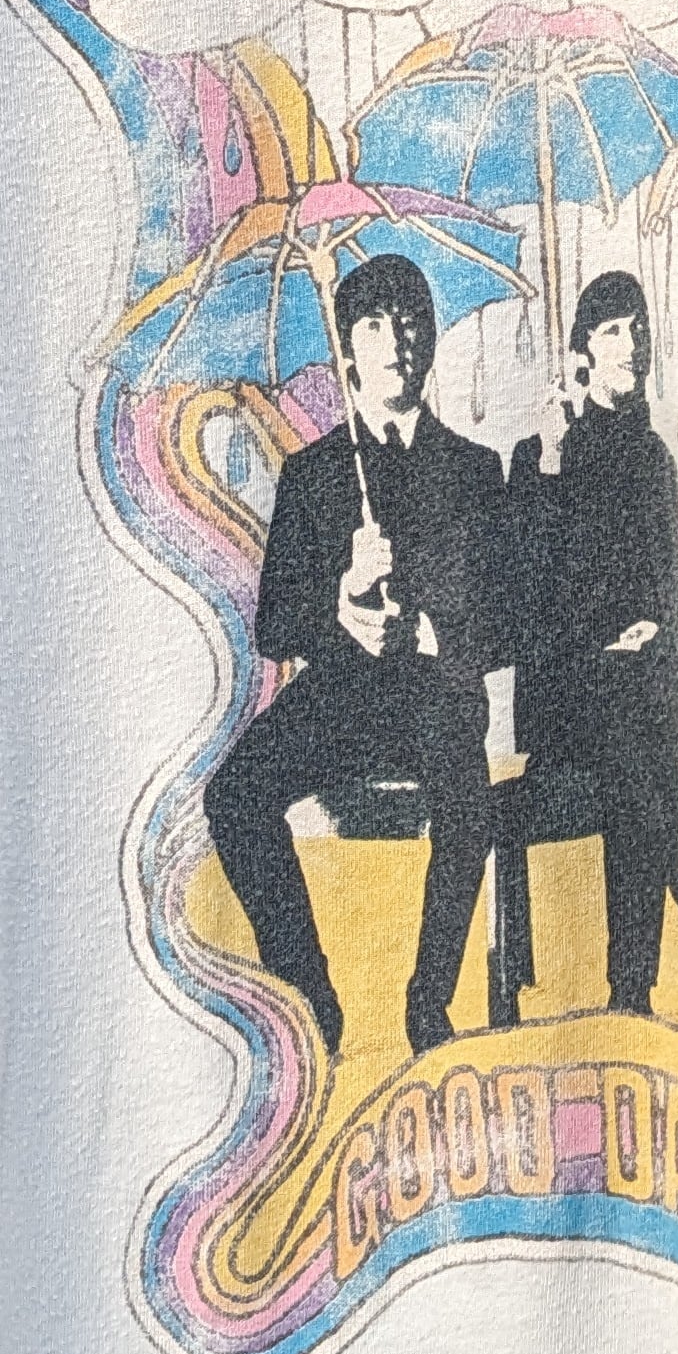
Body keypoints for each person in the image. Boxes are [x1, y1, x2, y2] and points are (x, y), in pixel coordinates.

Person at [206, 252, 501, 1059]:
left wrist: (425, 630)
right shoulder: (313, 475)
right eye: (374, 325)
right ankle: (311, 996)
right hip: (338, 700)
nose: (396, 341)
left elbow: (501, 614)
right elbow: (276, 626)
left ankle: (428, 1002)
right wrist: (340, 600)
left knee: (469, 804)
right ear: (347, 350)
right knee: (235, 796)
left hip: (435, 696)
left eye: (410, 322)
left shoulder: (475, 471)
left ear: (430, 338)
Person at [503, 270, 678, 1019]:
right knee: (637, 767)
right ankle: (631, 988)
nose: (631, 343)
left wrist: (653, 627)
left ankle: (631, 990)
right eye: (613, 330)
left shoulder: (653, 459)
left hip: (632, 698)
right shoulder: (540, 455)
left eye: (638, 329)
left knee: (637, 765)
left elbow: (667, 583)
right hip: (562, 700)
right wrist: (551, 464)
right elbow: (525, 592)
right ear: (581, 351)